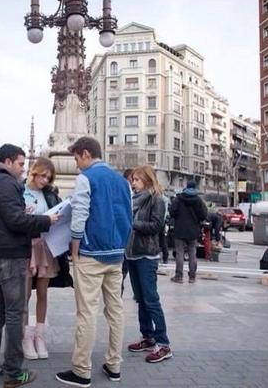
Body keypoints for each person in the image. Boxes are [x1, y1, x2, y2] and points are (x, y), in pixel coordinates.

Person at [0, 144, 59, 388]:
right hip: (9, 257)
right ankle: (13, 372)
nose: (23, 169)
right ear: (9, 161)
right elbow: (16, 220)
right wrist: (46, 220)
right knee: (15, 314)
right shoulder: (7, 183)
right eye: (21, 164)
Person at [55, 137, 132, 387]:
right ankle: (114, 365)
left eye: (77, 159)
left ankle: (81, 370)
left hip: (90, 254)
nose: (77, 165)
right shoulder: (123, 181)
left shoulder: (86, 178)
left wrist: (74, 249)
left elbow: (79, 215)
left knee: (86, 313)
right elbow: (128, 215)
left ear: (86, 154)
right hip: (116, 254)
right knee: (116, 310)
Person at [125, 165, 172, 364]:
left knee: (151, 300)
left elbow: (156, 226)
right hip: (132, 254)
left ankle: (163, 344)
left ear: (147, 179)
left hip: (147, 255)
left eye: (136, 179)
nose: (133, 183)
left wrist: (132, 223)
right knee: (141, 299)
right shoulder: (133, 200)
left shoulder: (157, 199)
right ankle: (148, 337)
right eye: (133, 179)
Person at [21, 157, 61, 360]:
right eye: (43, 175)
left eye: (48, 177)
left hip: (46, 245)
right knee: (25, 294)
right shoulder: (19, 190)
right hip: (26, 246)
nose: (45, 180)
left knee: (43, 293)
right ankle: (26, 337)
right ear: (34, 172)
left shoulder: (50, 194)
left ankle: (40, 335)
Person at [168, 181, 208, 284]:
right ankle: (192, 277)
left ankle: (179, 276)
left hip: (180, 229)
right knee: (192, 253)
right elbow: (204, 214)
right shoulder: (198, 200)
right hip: (193, 230)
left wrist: (177, 217)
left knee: (180, 253)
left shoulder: (179, 198)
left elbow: (172, 211)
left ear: (186, 187)